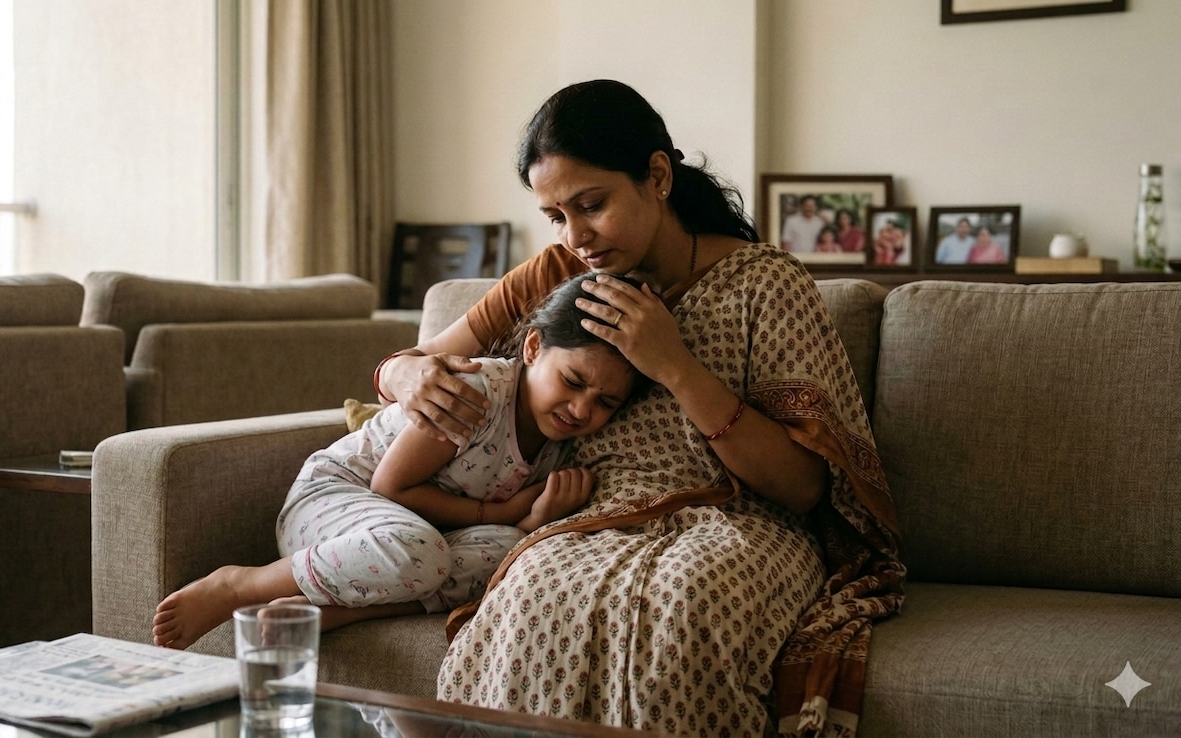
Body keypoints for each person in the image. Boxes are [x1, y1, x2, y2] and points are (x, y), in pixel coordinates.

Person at [376, 79, 904, 736]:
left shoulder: (764, 284)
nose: (577, 237)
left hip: (742, 526)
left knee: (679, 607)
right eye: (557, 216)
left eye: (592, 205)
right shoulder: (558, 275)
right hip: (584, 521)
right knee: (533, 593)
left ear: (657, 175)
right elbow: (412, 360)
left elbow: (803, 490)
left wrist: (676, 367)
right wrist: (403, 375)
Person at [150, 273, 650, 651]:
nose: (583, 410)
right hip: (340, 502)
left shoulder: (561, 441)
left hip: (418, 538)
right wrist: (500, 513)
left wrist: (532, 521)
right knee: (423, 549)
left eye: (606, 403)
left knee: (514, 554)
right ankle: (240, 582)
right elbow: (389, 487)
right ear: (535, 348)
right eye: (574, 381)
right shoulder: (475, 393)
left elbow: (503, 531)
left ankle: (348, 611)